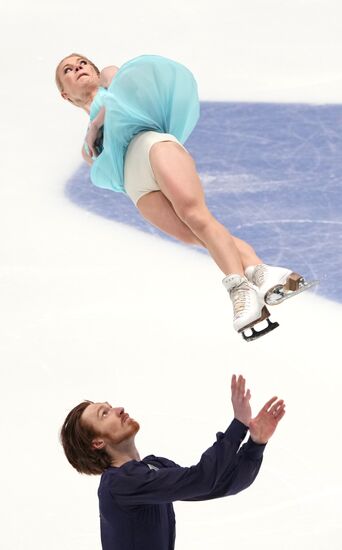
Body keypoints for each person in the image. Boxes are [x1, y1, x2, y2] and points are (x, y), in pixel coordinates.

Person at [55, 53, 309, 340]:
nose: (78, 68)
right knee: (194, 235)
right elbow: (112, 174)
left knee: (196, 217)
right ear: (65, 94)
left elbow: (116, 94)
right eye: (68, 70)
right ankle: (263, 272)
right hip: (136, 186)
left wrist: (94, 127)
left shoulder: (110, 78)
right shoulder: (86, 151)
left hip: (151, 146)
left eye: (82, 63)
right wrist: (93, 135)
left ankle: (241, 292)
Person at [60, 374, 285, 550]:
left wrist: (256, 445)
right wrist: (238, 425)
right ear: (97, 442)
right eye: (104, 414)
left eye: (110, 407)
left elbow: (221, 484)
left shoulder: (153, 467)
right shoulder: (118, 484)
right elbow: (203, 479)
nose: (118, 409)